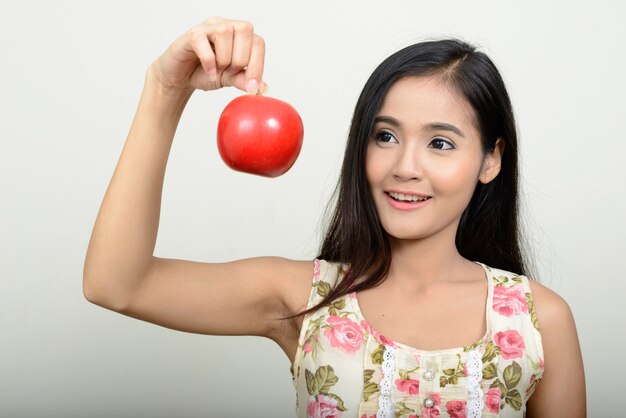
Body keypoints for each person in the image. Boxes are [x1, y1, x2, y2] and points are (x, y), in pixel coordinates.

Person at [83, 16, 586, 417]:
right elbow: (116, 284)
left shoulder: (540, 321)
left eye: (439, 143)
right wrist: (165, 89)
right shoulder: (305, 300)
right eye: (385, 136)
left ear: (491, 160)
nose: (404, 167)